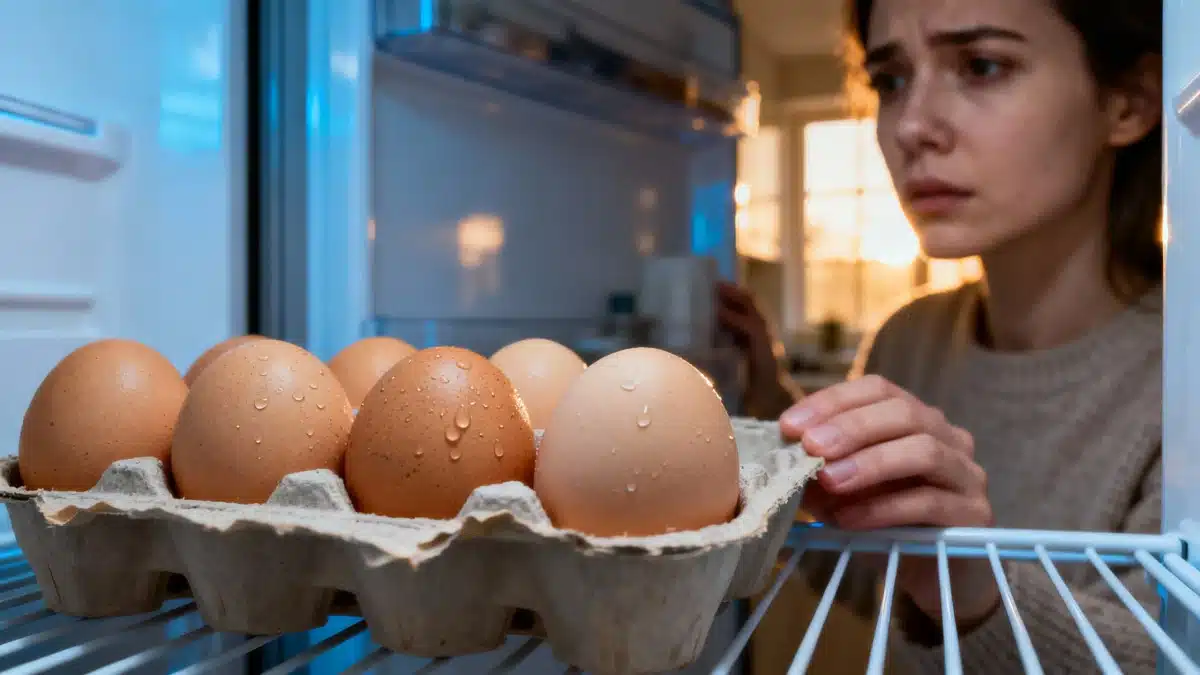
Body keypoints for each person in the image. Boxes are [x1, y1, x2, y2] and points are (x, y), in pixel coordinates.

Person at [718, 0, 1163, 672]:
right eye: (891, 81)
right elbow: (876, 578)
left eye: (982, 66)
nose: (913, 127)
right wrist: (769, 401)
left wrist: (974, 586)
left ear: (1128, 102)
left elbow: (1168, 654)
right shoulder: (911, 340)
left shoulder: (1179, 373)